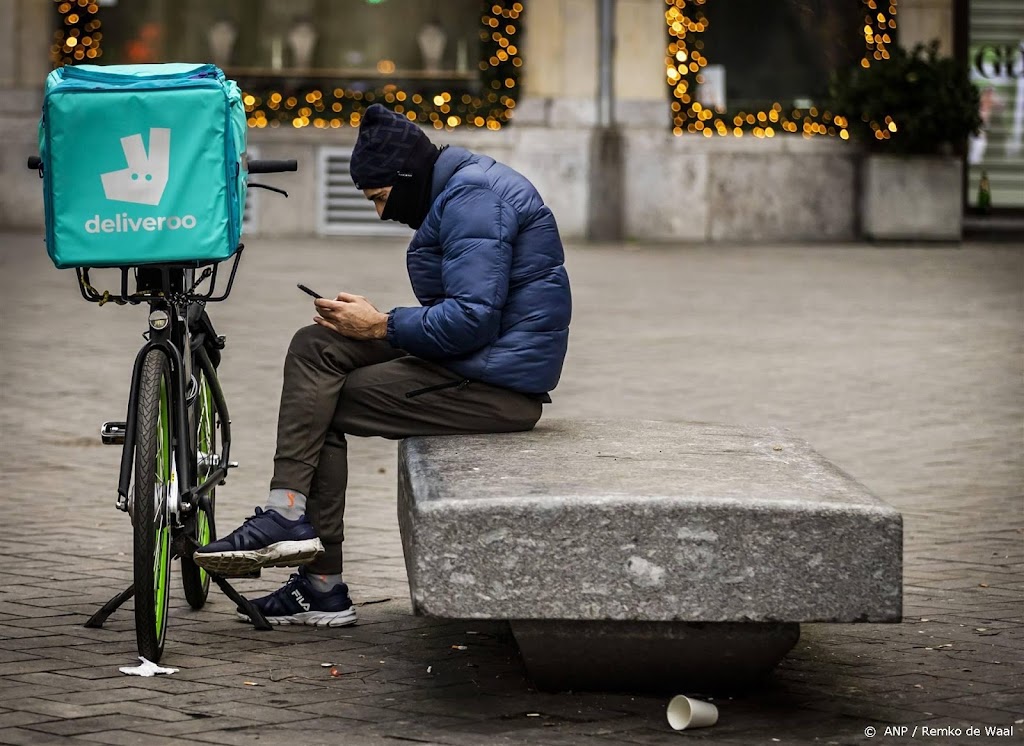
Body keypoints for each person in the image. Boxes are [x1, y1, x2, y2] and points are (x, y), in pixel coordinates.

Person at [193, 104, 572, 626]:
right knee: (316, 345)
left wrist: (380, 325)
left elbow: (473, 319)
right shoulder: (462, 187)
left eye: (379, 198)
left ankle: (320, 583)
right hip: (474, 359)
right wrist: (370, 323)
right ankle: (286, 514)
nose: (379, 212)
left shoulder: (473, 197)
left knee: (322, 404)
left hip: (496, 384)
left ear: (405, 177)